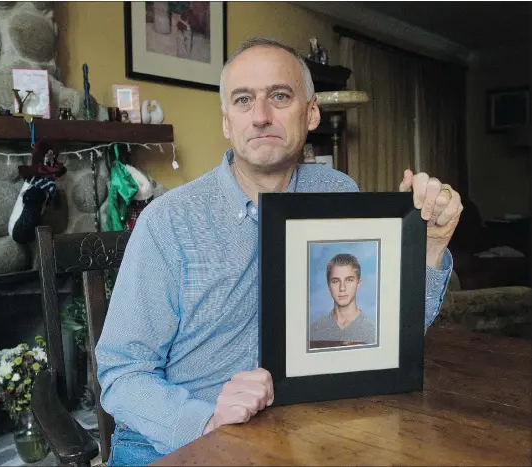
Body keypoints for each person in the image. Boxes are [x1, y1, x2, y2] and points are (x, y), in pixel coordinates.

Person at [95, 37, 462, 466]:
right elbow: (123, 373)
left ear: (311, 113)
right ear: (227, 122)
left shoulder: (337, 194)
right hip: (176, 439)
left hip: (303, 428)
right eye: (244, 100)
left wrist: (430, 249)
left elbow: (383, 344)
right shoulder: (168, 223)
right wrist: (207, 421)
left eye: (280, 96)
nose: (261, 116)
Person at [309, 253, 376, 348]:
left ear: (358, 284)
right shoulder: (313, 332)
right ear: (329, 286)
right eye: (335, 281)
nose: (342, 288)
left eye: (349, 280)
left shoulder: (373, 333)